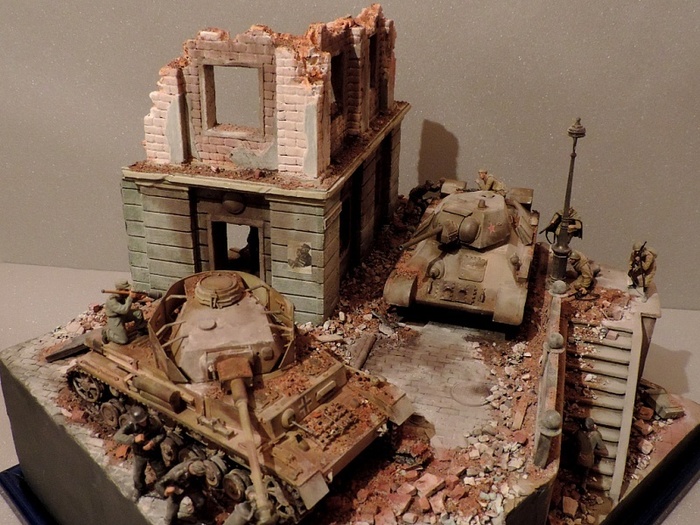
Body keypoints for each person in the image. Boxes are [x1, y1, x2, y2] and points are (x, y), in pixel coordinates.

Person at [114, 405, 167, 501]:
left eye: (144, 420)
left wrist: (153, 442)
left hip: (154, 453)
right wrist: (133, 439)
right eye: (140, 421)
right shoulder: (131, 425)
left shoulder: (154, 422)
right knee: (137, 475)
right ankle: (140, 489)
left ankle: (163, 489)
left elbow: (162, 433)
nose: (143, 423)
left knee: (161, 472)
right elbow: (117, 436)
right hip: (139, 454)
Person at [103, 280, 144, 344]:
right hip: (115, 318)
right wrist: (130, 297)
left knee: (138, 313)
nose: (128, 291)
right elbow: (124, 310)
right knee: (123, 340)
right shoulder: (111, 300)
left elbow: (129, 301)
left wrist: (138, 297)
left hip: (123, 315)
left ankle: (140, 329)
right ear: (120, 290)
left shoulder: (123, 295)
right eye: (126, 290)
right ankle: (107, 333)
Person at [576, 417, 608, 491]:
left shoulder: (579, 433)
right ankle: (583, 482)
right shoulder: (595, 435)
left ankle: (583, 482)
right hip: (584, 458)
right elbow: (605, 452)